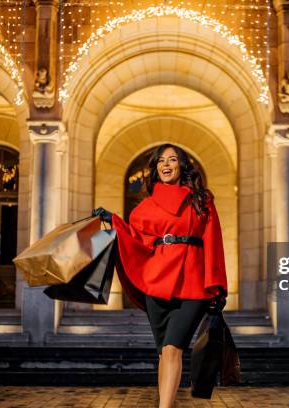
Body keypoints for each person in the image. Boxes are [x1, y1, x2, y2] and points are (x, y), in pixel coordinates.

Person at [93, 143, 228, 407]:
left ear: (183, 166)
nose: (166, 165)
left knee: (173, 349)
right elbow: (135, 240)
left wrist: (218, 286)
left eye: (172, 159)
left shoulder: (201, 199)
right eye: (161, 161)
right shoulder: (145, 207)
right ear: (156, 168)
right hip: (157, 284)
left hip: (193, 284)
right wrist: (114, 220)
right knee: (164, 352)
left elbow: (214, 241)